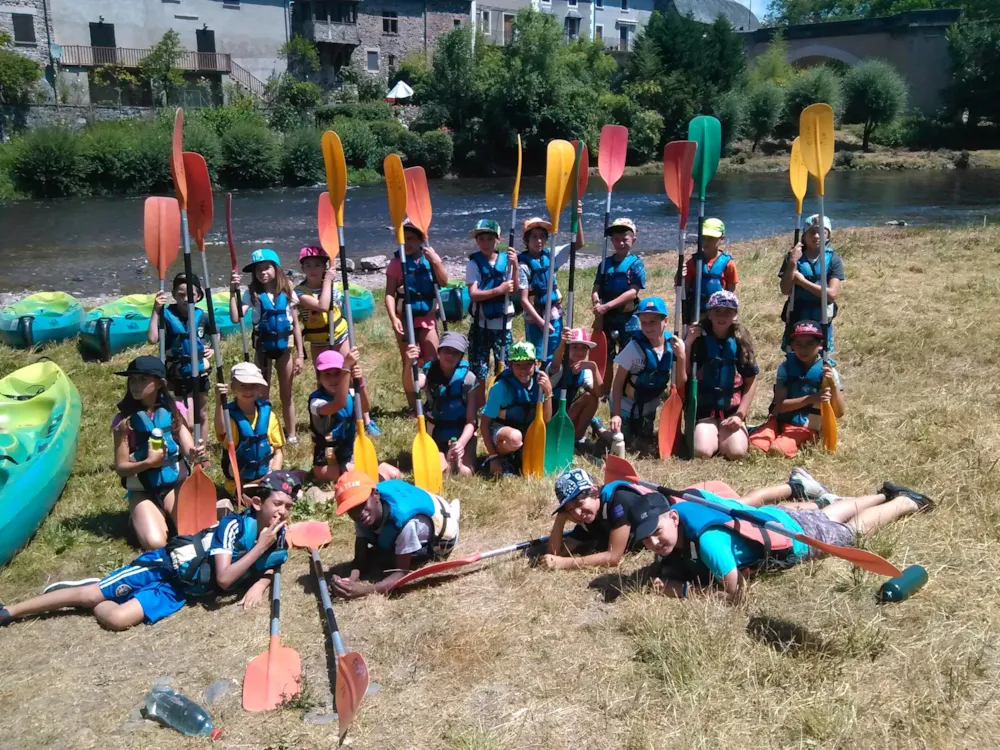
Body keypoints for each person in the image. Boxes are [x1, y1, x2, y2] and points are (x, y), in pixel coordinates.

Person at [0, 471, 297, 630]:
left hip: (182, 590)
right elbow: (224, 579)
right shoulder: (232, 526)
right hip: (165, 565)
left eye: (288, 507)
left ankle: (93, 595)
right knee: (92, 594)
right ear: (258, 504)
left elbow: (274, 563)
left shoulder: (278, 538)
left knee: (117, 620)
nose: (282, 513)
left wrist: (262, 582)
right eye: (277, 504)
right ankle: (11, 611)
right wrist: (259, 548)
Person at [633, 480, 932, 604]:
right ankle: (883, 493)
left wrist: (685, 591)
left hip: (794, 541)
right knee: (827, 515)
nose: (654, 543)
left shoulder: (710, 542)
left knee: (852, 532)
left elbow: (737, 596)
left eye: (657, 532)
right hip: (770, 516)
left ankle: (906, 502)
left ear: (673, 518)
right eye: (646, 539)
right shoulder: (684, 504)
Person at [111, 356, 205, 551]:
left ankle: (167, 516)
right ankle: (141, 516)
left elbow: (188, 448)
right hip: (142, 490)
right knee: (156, 544)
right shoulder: (123, 421)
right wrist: (147, 463)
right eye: (132, 380)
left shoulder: (175, 411)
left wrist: (195, 454)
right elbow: (121, 468)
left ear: (159, 383)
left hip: (175, 485)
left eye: (143, 379)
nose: (135, 385)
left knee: (195, 534)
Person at [330, 471, 460, 598]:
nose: (359, 513)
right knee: (377, 554)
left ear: (375, 495)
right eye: (351, 510)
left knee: (385, 560)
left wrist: (364, 590)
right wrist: (349, 580)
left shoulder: (404, 523)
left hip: (443, 535)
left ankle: (453, 512)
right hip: (426, 502)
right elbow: (359, 560)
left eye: (362, 504)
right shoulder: (363, 515)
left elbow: (402, 572)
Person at [297, 245, 380, 437]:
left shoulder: (334, 287)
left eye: (317, 265)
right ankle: (331, 414)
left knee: (351, 373)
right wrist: (327, 282)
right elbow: (323, 305)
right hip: (319, 341)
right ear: (302, 269)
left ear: (325, 266)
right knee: (325, 378)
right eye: (308, 265)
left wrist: (331, 284)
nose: (313, 269)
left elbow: (338, 309)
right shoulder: (299, 292)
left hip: (340, 335)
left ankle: (365, 418)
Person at [229, 248, 306, 444]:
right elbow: (236, 317)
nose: (262, 272)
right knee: (262, 396)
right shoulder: (252, 293)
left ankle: (291, 435)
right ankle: (264, 434)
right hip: (262, 349)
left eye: (267, 268)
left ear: (276, 269)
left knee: (286, 394)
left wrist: (301, 355)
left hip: (284, 348)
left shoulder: (287, 289)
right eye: (258, 270)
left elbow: (296, 325)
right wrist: (232, 292)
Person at [749, 320, 845, 458]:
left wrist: (833, 385)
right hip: (779, 421)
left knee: (777, 450)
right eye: (798, 344)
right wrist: (811, 399)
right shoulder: (786, 368)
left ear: (820, 345)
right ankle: (774, 434)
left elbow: (839, 412)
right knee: (754, 447)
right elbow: (780, 406)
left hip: (805, 427)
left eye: (809, 344)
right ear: (792, 345)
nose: (803, 349)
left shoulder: (828, 371)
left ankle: (793, 442)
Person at [307, 349, 400, 491]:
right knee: (371, 482)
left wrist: (360, 383)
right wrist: (345, 369)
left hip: (349, 455)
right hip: (327, 464)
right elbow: (339, 404)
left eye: (337, 373)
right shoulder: (316, 402)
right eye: (327, 374)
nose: (333, 379)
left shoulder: (351, 394)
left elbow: (365, 407)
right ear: (319, 378)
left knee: (394, 474)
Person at [683, 291, 759, 460]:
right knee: (702, 452)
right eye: (717, 311)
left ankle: (733, 433)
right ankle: (709, 434)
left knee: (736, 452)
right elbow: (685, 374)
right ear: (709, 312)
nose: (722, 316)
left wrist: (740, 415)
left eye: (728, 312)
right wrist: (687, 344)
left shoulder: (740, 341)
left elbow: (751, 380)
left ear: (735, 315)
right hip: (704, 411)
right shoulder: (698, 339)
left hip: (731, 411)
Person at [385, 220, 448, 410]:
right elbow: (389, 294)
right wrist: (394, 318)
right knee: (409, 360)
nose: (407, 243)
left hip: (427, 317)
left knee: (433, 359)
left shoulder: (430, 259)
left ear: (421, 239)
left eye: (412, 238)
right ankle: (414, 405)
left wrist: (436, 262)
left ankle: (433, 400)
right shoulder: (396, 264)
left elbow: (444, 282)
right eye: (403, 239)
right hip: (405, 318)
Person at [610, 297, 686, 453]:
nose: (647, 327)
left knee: (644, 441)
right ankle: (599, 428)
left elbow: (680, 383)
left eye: (653, 322)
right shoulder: (634, 347)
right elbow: (617, 384)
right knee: (624, 442)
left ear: (665, 321)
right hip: (625, 405)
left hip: (649, 405)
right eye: (643, 322)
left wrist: (682, 357)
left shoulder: (674, 346)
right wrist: (616, 414)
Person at [539, 469, 654, 571]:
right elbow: (554, 554)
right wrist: (560, 518)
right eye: (570, 509)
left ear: (594, 490)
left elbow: (613, 557)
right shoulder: (588, 518)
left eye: (580, 503)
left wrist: (564, 563)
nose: (578, 513)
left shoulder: (618, 501)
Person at [147, 272, 213, 436]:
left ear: (198, 296)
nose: (185, 298)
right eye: (180, 294)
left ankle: (202, 451)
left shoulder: (203, 317)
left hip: (199, 371)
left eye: (190, 294)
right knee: (183, 419)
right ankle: (184, 449)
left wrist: (211, 348)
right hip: (175, 374)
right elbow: (152, 338)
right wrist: (156, 310)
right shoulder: (166, 315)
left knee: (201, 413)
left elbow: (215, 335)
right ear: (174, 295)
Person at [518, 205, 585, 364]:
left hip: (554, 312)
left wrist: (578, 219)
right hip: (535, 316)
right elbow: (524, 300)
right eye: (534, 237)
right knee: (536, 356)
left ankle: (553, 384)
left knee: (556, 353)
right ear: (526, 240)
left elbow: (579, 244)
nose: (539, 241)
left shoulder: (552, 254)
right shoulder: (523, 265)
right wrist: (541, 323)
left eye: (542, 236)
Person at [409, 331, 479, 476]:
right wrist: (409, 364)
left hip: (461, 433)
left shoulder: (469, 379)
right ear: (439, 352)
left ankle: (457, 457)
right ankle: (441, 455)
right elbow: (411, 386)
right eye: (447, 350)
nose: (450, 356)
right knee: (442, 472)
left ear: (461, 357)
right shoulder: (428, 373)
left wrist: (461, 444)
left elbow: (471, 420)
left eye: (456, 353)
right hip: (435, 433)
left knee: (466, 473)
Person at [479, 341, 553, 477]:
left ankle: (517, 457)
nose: (524, 370)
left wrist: (548, 394)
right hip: (502, 431)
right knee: (515, 438)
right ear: (511, 365)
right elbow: (484, 424)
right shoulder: (500, 387)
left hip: (526, 429)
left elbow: (546, 421)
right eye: (518, 365)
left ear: (535, 364)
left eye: (528, 364)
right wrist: (493, 457)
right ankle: (502, 458)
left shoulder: (540, 382)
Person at [592, 218, 646, 397]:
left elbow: (633, 293)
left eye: (625, 239)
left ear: (633, 240)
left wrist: (606, 306)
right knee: (605, 358)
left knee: (628, 358)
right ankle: (605, 392)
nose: (621, 243)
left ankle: (624, 391)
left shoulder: (636, 264)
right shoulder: (604, 264)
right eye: (616, 239)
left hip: (628, 320)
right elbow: (596, 289)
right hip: (606, 319)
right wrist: (597, 306)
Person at [466, 219, 518, 405]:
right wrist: (498, 290)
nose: (485, 243)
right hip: (481, 324)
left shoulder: (507, 261)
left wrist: (516, 266)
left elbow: (514, 289)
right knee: (479, 367)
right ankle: (479, 404)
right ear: (477, 241)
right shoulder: (473, 264)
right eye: (481, 239)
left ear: (497, 240)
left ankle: (500, 403)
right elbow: (474, 294)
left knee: (504, 366)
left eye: (489, 238)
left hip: (503, 325)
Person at [214, 362, 284, 497]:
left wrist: (273, 473)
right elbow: (221, 431)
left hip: (265, 478)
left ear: (259, 388)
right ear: (233, 387)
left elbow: (278, 453)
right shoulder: (228, 416)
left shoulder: (270, 416)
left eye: (253, 386)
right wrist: (219, 402)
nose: (248, 391)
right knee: (254, 503)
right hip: (239, 483)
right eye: (242, 386)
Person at [780, 214, 844, 352]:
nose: (816, 236)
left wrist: (802, 282)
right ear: (804, 235)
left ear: (828, 236)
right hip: (797, 313)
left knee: (822, 354)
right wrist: (792, 263)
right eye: (812, 232)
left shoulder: (834, 259)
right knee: (795, 352)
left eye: (822, 232)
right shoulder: (793, 257)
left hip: (821, 317)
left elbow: (831, 294)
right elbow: (785, 289)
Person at [547, 327, 615, 450]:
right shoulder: (558, 366)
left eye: (584, 348)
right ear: (567, 348)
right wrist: (562, 343)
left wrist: (593, 367)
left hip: (567, 413)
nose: (579, 352)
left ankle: (577, 439)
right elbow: (555, 365)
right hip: (549, 416)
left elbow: (599, 393)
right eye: (575, 347)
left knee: (591, 398)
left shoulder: (585, 370)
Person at [684, 218, 739, 320]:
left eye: (711, 238)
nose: (706, 241)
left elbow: (731, 290)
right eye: (704, 237)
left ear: (722, 238)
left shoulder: (728, 264)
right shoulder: (693, 262)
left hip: (719, 312)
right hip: (697, 312)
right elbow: (684, 289)